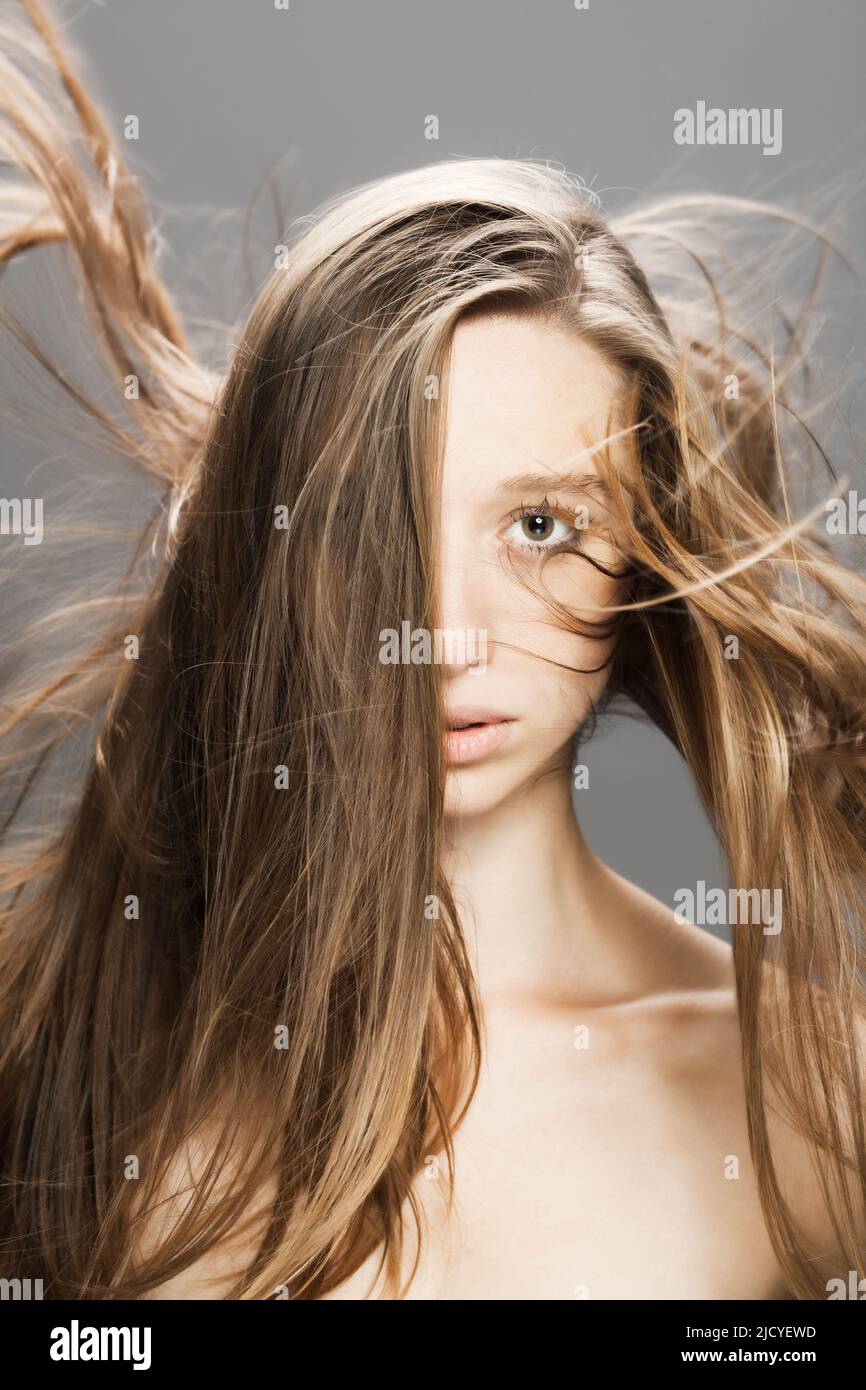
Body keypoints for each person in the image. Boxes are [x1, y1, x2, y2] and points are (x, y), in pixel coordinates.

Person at [1, 0, 864, 1300]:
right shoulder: (79, 1054)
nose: (444, 635)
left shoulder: (813, 1103)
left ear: (638, 545)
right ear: (273, 554)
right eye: (372, 532)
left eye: (537, 524)